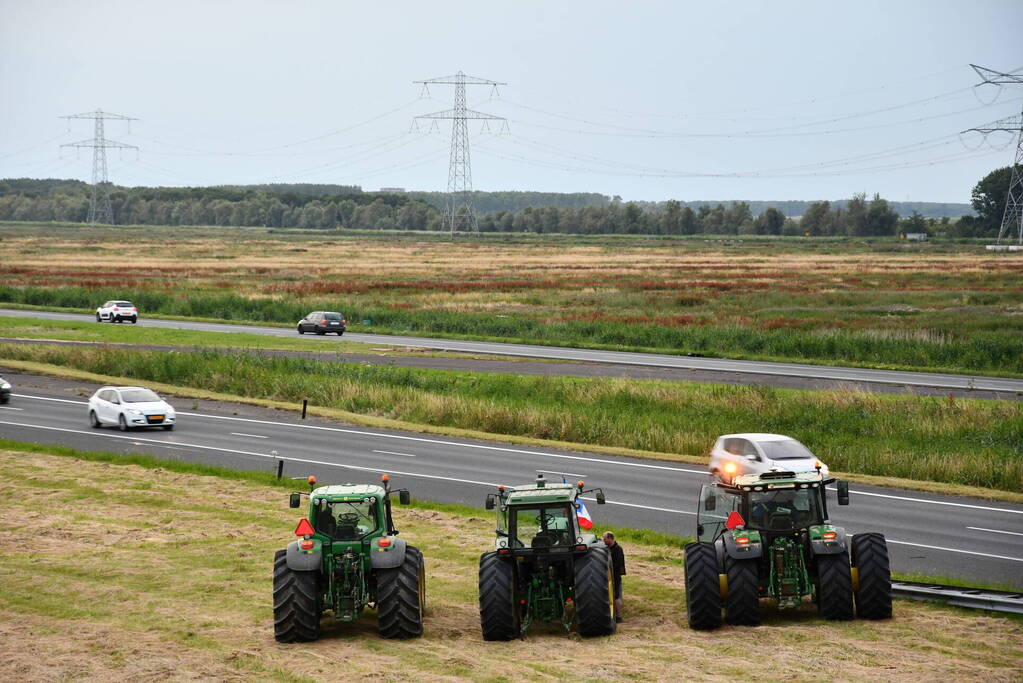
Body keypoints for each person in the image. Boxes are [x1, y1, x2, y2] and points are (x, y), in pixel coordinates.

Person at [603, 531, 626, 623]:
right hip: (611, 576)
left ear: (610, 538)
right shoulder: (609, 548)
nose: (603, 540)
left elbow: (617, 564)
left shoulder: (617, 549)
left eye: (604, 538)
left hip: (615, 576)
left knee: (616, 596)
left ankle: (618, 616)